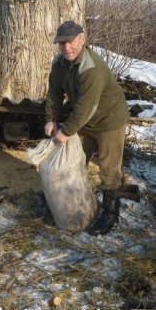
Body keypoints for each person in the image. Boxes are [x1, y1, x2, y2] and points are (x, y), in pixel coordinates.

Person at [44, 20, 130, 236]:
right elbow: (54, 93)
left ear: (83, 40)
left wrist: (65, 132)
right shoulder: (59, 63)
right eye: (61, 43)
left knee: (109, 168)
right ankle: (75, 201)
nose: (66, 48)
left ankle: (111, 214)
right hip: (85, 120)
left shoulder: (92, 68)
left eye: (71, 42)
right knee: (76, 160)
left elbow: (85, 108)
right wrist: (51, 119)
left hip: (108, 119)